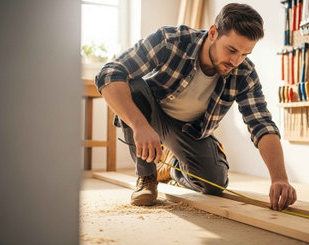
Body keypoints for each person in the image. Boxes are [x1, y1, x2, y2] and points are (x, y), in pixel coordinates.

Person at [95, 3, 297, 210]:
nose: (236, 61)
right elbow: (108, 73)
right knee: (133, 86)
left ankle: (173, 167)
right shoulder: (170, 41)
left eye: (245, 54)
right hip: (152, 114)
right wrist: (140, 125)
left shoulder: (244, 73)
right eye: (231, 50)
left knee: (214, 183)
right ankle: (146, 177)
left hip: (189, 129)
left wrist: (279, 178)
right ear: (212, 33)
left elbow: (261, 123)